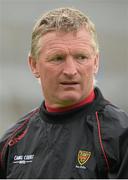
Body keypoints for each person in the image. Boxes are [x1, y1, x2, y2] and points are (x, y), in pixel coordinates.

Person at [0, 7, 128, 179]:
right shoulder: (12, 141)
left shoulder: (121, 135)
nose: (70, 70)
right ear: (34, 65)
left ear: (96, 62)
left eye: (81, 57)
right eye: (57, 58)